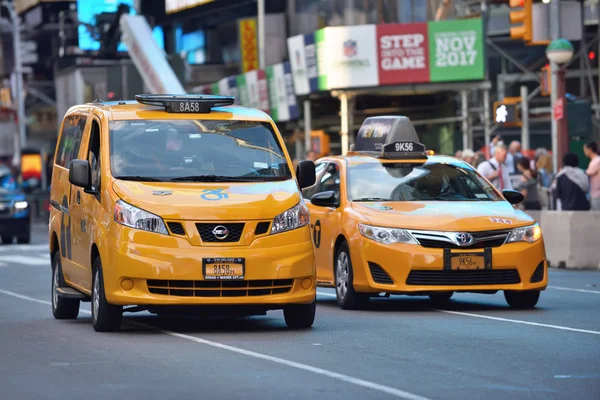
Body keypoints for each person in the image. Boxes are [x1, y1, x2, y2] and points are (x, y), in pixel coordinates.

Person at [584, 141, 600, 211]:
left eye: (585, 150)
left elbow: (587, 173)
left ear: (589, 150)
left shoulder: (596, 161)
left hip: (597, 194)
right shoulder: (595, 161)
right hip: (594, 193)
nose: (584, 152)